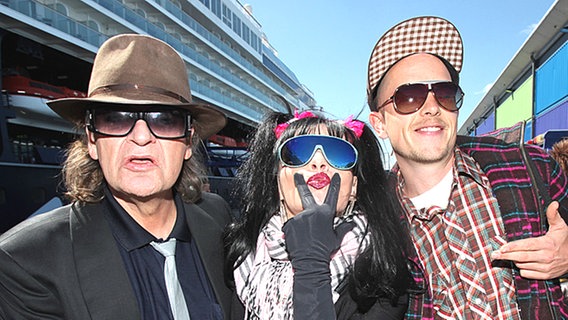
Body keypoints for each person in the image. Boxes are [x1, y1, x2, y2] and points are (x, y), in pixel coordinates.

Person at [0, 34, 235, 319]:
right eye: (116, 118)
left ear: (188, 142)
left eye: (165, 120)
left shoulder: (218, 218)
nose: (140, 137)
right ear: (91, 140)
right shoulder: (25, 261)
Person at [366, 16, 568, 319]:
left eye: (444, 93)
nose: (432, 107)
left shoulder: (529, 167)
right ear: (379, 124)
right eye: (410, 97)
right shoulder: (375, 222)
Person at [224, 111, 412, 319]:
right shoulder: (242, 256)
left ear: (354, 187)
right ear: (277, 180)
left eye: (339, 154)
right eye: (298, 153)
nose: (318, 164)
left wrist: (311, 264)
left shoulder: (381, 276)